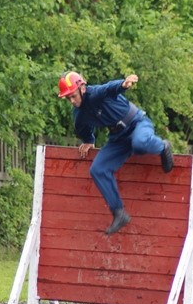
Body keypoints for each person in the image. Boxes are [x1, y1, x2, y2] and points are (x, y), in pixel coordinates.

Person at [57, 71, 174, 235]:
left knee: (139, 144)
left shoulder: (95, 93)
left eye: (73, 96)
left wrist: (123, 84)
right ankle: (119, 213)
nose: (72, 101)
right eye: (68, 98)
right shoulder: (79, 115)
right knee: (98, 169)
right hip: (119, 138)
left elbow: (109, 88)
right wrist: (89, 141)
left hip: (137, 123)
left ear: (82, 88)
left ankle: (163, 146)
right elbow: (82, 129)